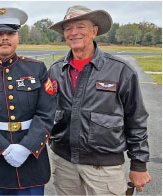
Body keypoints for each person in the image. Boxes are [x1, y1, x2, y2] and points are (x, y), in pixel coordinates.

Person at [48, 5, 151, 195]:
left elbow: (136, 119)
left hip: (103, 167)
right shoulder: (55, 70)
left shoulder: (120, 70)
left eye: (80, 26)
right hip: (64, 162)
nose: (74, 33)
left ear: (94, 31)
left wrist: (138, 163)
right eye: (68, 28)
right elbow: (46, 113)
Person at [0, 7, 56, 195]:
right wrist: (3, 149)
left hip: (30, 162)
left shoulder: (36, 69)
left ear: (18, 38)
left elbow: (46, 114)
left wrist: (26, 148)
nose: (5, 38)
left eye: (10, 33)